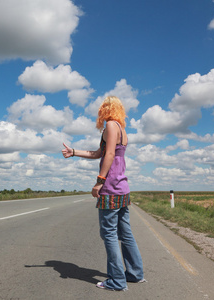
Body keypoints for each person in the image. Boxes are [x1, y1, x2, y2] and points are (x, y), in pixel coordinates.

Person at [62, 96, 145, 291]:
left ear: (104, 110)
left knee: (108, 234)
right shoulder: (121, 129)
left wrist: (99, 181)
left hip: (110, 188)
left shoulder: (109, 125)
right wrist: (74, 151)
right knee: (125, 233)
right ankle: (135, 274)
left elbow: (108, 155)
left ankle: (117, 281)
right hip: (123, 188)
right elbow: (99, 152)